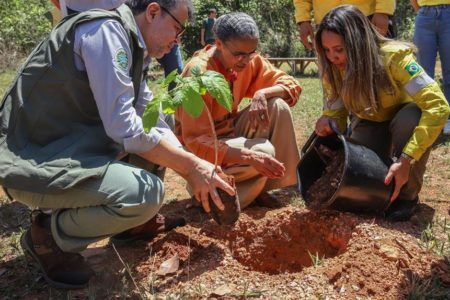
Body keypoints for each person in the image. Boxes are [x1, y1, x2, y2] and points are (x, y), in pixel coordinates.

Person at [0, 0, 234, 289]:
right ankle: (47, 234)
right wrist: (189, 166)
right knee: (143, 195)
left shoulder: (132, 44)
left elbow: (150, 118)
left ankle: (134, 226)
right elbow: (124, 127)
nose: (177, 41)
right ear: (152, 12)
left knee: (160, 144)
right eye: (177, 28)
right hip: (32, 163)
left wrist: (191, 161)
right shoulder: (106, 33)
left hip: (67, 150)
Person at [313, 5, 450, 221]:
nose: (333, 57)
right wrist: (330, 120)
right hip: (369, 122)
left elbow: (438, 106)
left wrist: (406, 159)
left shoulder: (394, 59)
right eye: (327, 50)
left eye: (339, 49)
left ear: (357, 42)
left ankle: (406, 196)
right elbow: (336, 109)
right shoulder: (333, 69)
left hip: (402, 119)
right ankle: (387, 187)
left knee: (411, 118)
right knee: (364, 183)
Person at [176, 12, 302, 209]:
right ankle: (213, 195)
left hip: (230, 132)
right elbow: (195, 141)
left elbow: (291, 85)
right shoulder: (197, 73)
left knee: (278, 106)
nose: (246, 60)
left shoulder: (249, 60)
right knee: (264, 151)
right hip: (204, 152)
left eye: (251, 53)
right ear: (219, 44)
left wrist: (263, 92)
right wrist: (249, 156)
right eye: (239, 55)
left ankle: (266, 187)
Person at [411, 0, 450, 135]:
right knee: (423, 75)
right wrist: (420, 11)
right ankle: (429, 119)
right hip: (424, 15)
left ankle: (448, 119)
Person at [293, 0, 396, 49]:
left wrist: (383, 10)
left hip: (368, 18)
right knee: (334, 79)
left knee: (380, 75)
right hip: (327, 24)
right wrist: (303, 20)